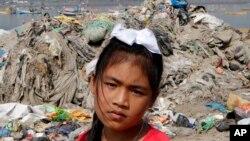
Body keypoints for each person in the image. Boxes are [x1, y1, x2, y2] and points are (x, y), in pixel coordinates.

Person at [77, 23, 170, 141]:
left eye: (136, 91)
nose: (120, 101)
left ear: (152, 99)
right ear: (93, 82)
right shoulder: (85, 138)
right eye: (112, 85)